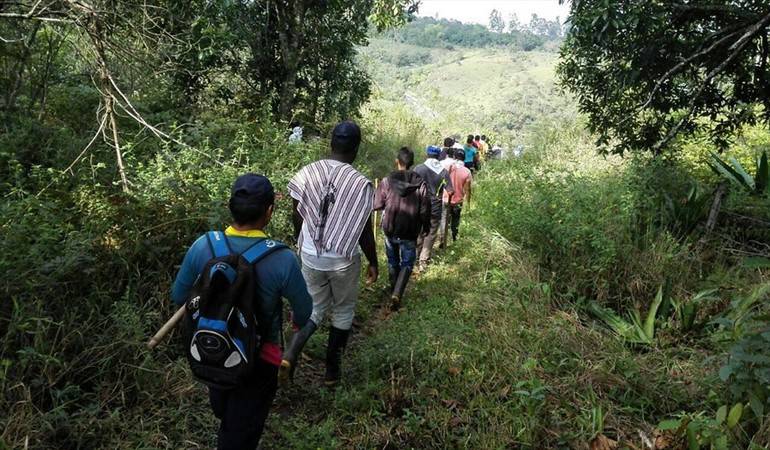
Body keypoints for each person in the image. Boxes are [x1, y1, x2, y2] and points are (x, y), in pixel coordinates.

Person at [171, 173, 314, 450]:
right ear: (270, 211)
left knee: (226, 412)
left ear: (230, 208)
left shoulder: (204, 246)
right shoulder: (282, 258)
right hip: (260, 360)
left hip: (213, 351)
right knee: (240, 433)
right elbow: (305, 311)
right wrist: (295, 325)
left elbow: (179, 296)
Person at [287, 120, 378, 387]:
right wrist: (373, 261)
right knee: (343, 310)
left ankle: (291, 353)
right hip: (342, 259)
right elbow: (363, 230)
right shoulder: (360, 184)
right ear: (356, 148)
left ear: (331, 143)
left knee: (313, 308)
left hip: (310, 254)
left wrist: (300, 241)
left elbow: (297, 211)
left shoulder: (307, 172)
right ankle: (332, 373)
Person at [373, 147, 430, 308]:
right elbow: (425, 208)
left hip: (390, 228)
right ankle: (397, 293)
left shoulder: (386, 181)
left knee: (393, 260)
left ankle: (393, 290)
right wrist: (426, 227)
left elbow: (377, 204)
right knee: (407, 263)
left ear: (397, 161)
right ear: (412, 163)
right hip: (410, 230)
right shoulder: (420, 183)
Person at [413, 145, 453, 271]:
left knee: (419, 231)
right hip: (435, 207)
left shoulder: (418, 169)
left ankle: (415, 257)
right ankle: (423, 262)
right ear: (438, 155)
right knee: (430, 233)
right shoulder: (443, 171)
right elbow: (450, 191)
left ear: (427, 154)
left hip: (419, 206)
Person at [442, 149, 473, 244]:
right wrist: (468, 203)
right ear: (464, 158)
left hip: (446, 198)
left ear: (454, 157)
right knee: (455, 220)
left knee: (444, 220)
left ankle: (443, 239)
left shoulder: (447, 167)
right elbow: (467, 189)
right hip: (458, 201)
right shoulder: (467, 172)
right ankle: (454, 238)